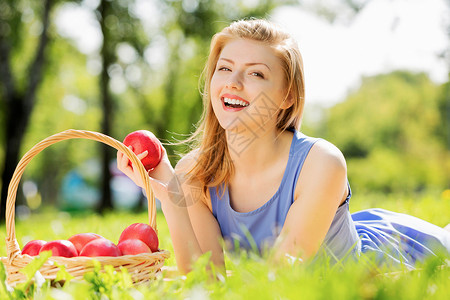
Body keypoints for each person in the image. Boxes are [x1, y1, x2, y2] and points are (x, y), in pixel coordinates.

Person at [117, 19, 450, 273]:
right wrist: (171, 194)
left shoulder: (321, 163)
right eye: (225, 68)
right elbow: (206, 279)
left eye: (257, 74)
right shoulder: (194, 171)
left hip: (393, 265)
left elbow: (281, 282)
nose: (233, 82)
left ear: (288, 95)